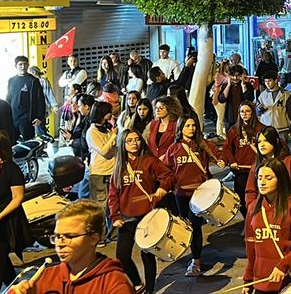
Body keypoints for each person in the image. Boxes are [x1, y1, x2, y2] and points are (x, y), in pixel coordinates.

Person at [12, 200, 134, 294]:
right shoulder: (46, 276)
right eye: (57, 236)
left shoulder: (114, 283)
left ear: (94, 239)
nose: (60, 243)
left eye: (69, 236)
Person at [108, 129, 174, 293]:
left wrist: (162, 189)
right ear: (122, 144)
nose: (134, 143)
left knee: (147, 255)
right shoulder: (119, 167)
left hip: (147, 217)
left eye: (137, 140)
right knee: (122, 257)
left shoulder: (149, 161)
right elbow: (113, 194)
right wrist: (115, 215)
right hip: (127, 219)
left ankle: (150, 290)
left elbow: (169, 176)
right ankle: (138, 284)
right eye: (129, 141)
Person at [243, 158, 291, 293]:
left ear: (280, 179)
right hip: (261, 281)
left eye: (268, 178)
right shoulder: (254, 208)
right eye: (259, 178)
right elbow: (251, 248)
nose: (262, 182)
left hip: (289, 280)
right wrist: (248, 280)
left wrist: (284, 265)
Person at [164, 115, 225, 276]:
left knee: (195, 225)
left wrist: (221, 160)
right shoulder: (173, 148)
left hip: (200, 193)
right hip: (181, 193)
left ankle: (196, 261)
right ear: (180, 128)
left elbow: (219, 153)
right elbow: (166, 170)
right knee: (187, 226)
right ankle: (193, 256)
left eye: (193, 125)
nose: (191, 128)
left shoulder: (203, 145)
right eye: (187, 126)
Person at [0, 129, 29, 294]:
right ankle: (16, 286)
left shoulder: (11, 169)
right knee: (0, 263)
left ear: (2, 147)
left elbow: (17, 197)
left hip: (1, 222)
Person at [245, 126, 291, 215]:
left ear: (276, 141)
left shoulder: (289, 160)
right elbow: (250, 191)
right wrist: (252, 207)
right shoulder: (256, 166)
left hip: (286, 209)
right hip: (265, 211)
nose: (262, 145)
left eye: (266, 141)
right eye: (259, 142)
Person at [222, 101, 263, 218]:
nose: (244, 114)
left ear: (253, 113)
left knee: (258, 198)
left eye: (248, 111)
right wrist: (232, 161)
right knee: (241, 199)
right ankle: (247, 221)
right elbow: (227, 148)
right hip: (241, 172)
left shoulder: (261, 129)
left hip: (257, 171)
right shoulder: (234, 130)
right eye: (242, 112)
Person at [86, 102, 118, 243]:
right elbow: (104, 150)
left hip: (112, 171)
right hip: (99, 172)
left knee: (114, 203)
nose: (111, 114)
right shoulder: (92, 132)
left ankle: (114, 234)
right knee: (100, 207)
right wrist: (113, 136)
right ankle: (100, 237)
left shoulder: (106, 128)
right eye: (109, 112)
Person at [7, 55, 46, 141]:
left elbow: (40, 100)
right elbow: (8, 99)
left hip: (27, 118)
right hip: (13, 117)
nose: (23, 67)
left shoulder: (33, 81)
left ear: (28, 65)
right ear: (15, 66)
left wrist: (40, 117)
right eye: (20, 64)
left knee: (28, 143)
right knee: (11, 143)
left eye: (25, 64)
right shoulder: (11, 80)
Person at [256, 70, 291, 138]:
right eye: (266, 81)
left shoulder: (285, 94)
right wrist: (259, 109)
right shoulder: (262, 95)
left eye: (270, 81)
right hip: (267, 128)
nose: (267, 83)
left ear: (276, 81)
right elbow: (257, 113)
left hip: (282, 128)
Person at [147, 96, 182, 160]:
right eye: (156, 108)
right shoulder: (153, 124)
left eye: (161, 108)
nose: (157, 110)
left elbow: (179, 146)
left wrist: (166, 156)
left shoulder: (176, 125)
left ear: (170, 109)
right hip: (153, 162)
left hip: (169, 162)